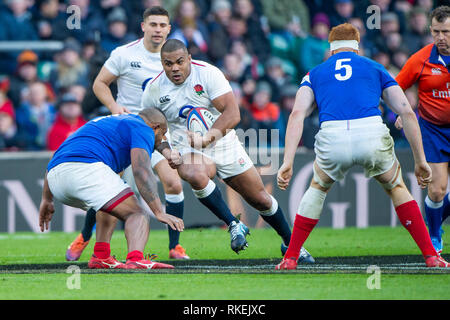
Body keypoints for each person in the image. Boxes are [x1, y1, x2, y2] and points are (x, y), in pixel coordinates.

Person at [275, 23, 448, 270]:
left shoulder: (314, 73)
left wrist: (288, 161)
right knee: (396, 186)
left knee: (318, 188)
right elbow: (407, 112)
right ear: (357, 48)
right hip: (370, 133)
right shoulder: (376, 68)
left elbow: (297, 114)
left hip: (332, 135)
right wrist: (420, 161)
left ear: (331, 49)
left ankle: (291, 257)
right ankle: (431, 256)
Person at [141, 39, 314, 263]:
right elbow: (150, 131)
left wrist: (207, 138)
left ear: (189, 60)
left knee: (260, 199)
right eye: (168, 63)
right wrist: (166, 151)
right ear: (162, 64)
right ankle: (234, 224)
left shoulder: (208, 74)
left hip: (222, 141)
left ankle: (291, 244)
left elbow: (233, 114)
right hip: (187, 146)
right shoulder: (154, 90)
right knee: (194, 173)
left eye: (179, 62)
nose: (174, 68)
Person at [65, 6, 189, 262]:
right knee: (107, 188)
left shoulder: (175, 58)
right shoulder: (124, 54)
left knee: (174, 181)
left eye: (162, 25)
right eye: (152, 24)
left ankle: (174, 246)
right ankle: (85, 236)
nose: (157, 29)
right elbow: (100, 83)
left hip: (156, 133)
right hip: (124, 133)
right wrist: (113, 106)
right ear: (143, 26)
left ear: (168, 29)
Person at [38, 108, 184, 269]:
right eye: (162, 134)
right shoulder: (142, 127)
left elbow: (59, 156)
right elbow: (141, 170)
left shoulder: (107, 122)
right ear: (155, 127)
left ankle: (101, 256)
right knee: (136, 213)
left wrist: (47, 199)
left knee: (110, 204)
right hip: (83, 169)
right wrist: (158, 211)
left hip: (54, 178)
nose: (162, 139)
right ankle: (136, 258)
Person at [394, 6, 450, 255]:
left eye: (446, 32)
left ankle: (433, 220)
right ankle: (435, 235)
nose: (441, 37)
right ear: (430, 30)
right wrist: (400, 111)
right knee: (437, 189)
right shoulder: (421, 59)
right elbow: (394, 87)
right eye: (436, 32)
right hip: (433, 129)